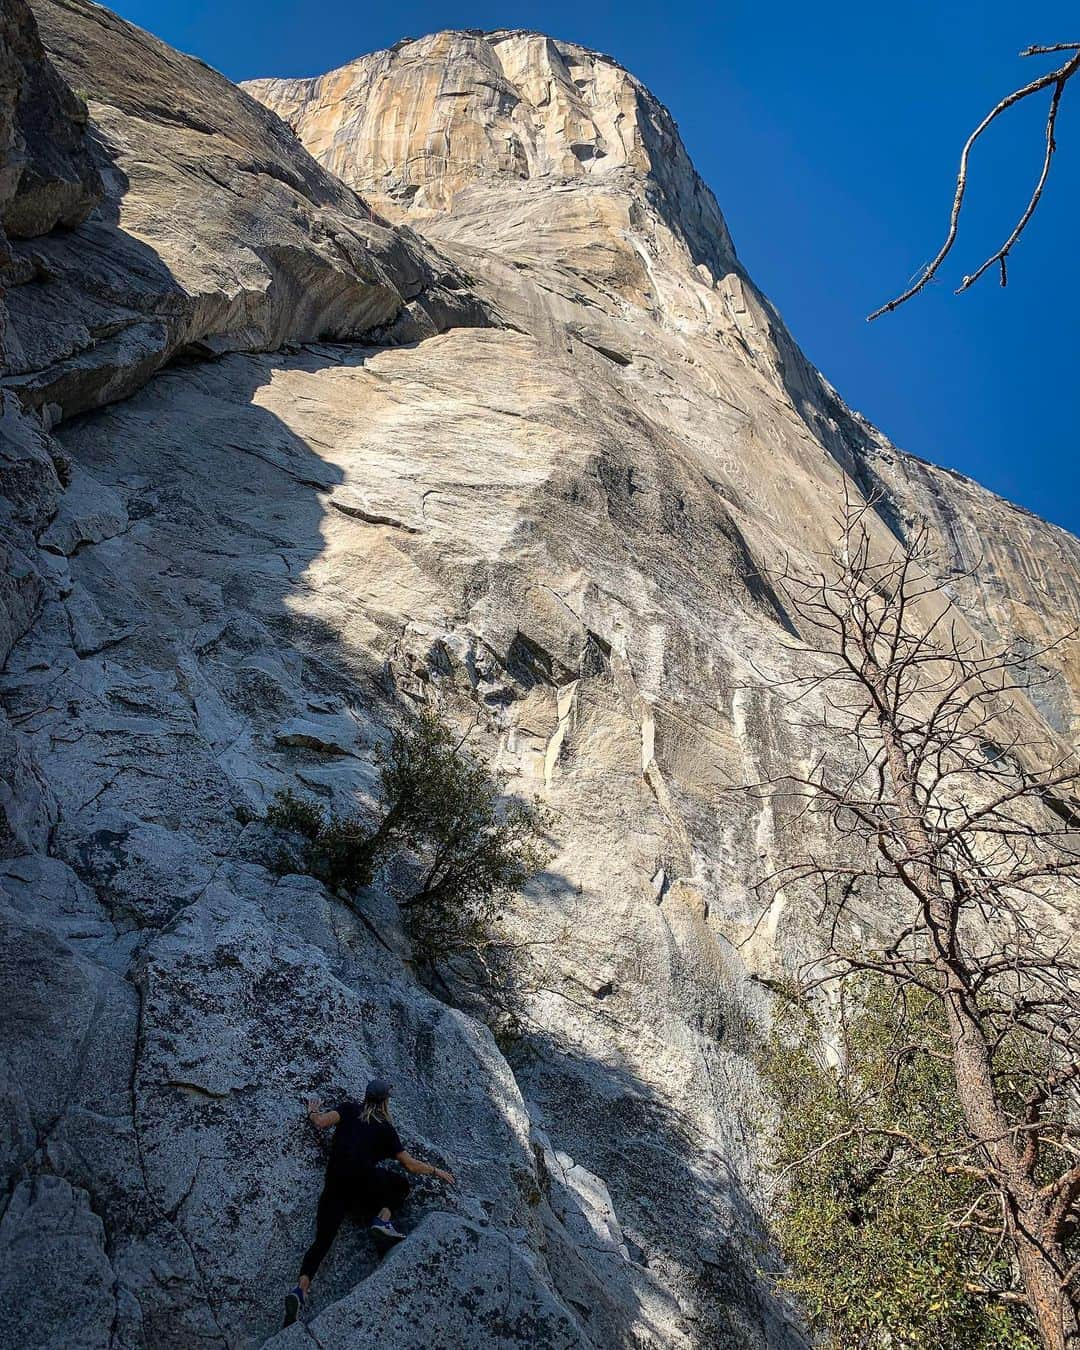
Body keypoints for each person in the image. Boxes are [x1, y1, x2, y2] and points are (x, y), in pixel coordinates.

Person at [283, 1078, 455, 1328]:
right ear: (385, 1101)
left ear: (365, 1096)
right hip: (363, 1188)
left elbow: (320, 1122)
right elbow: (409, 1165)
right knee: (400, 1183)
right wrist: (436, 1171)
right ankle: (382, 1220)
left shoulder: (348, 1109)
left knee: (321, 1242)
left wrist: (312, 1110)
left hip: (334, 1189)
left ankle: (301, 1289)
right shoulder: (385, 1128)